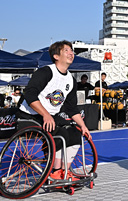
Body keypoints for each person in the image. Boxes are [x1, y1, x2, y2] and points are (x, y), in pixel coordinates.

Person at [17, 41, 90, 181]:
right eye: (67, 50)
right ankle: (55, 172)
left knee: (75, 133)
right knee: (59, 133)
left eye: (72, 50)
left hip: (49, 116)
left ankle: (65, 171)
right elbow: (30, 94)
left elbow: (71, 108)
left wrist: (83, 126)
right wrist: (45, 114)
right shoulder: (46, 72)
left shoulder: (71, 80)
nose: (71, 53)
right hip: (28, 115)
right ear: (56, 56)